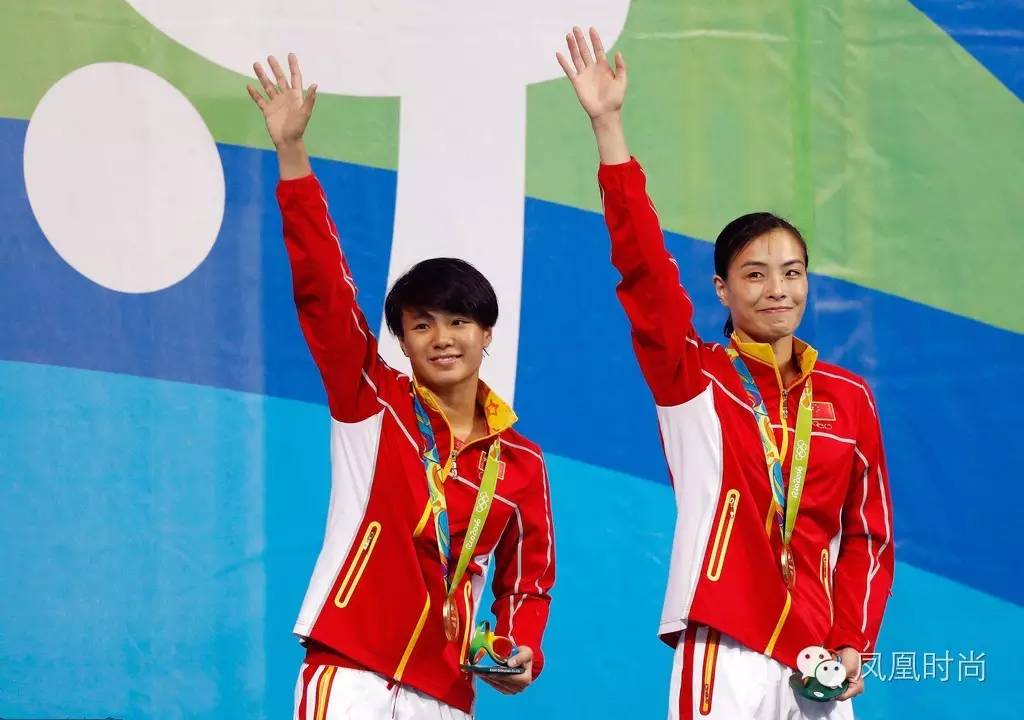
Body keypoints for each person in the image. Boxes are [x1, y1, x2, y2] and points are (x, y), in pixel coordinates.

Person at [557, 27, 894, 720]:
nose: (778, 290)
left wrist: (853, 643)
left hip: (818, 662)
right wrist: (608, 129)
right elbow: (644, 271)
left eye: (792, 273)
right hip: (725, 645)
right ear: (722, 289)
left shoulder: (848, 397)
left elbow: (868, 535)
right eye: (756, 274)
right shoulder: (694, 379)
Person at [247, 53, 555, 720]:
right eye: (422, 324)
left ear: (486, 333)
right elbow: (324, 292)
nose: (442, 338)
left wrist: (520, 649)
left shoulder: (521, 464)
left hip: (444, 690)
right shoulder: (372, 400)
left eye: (459, 322)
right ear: (402, 340)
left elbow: (527, 581)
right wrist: (293, 156)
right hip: (350, 666)